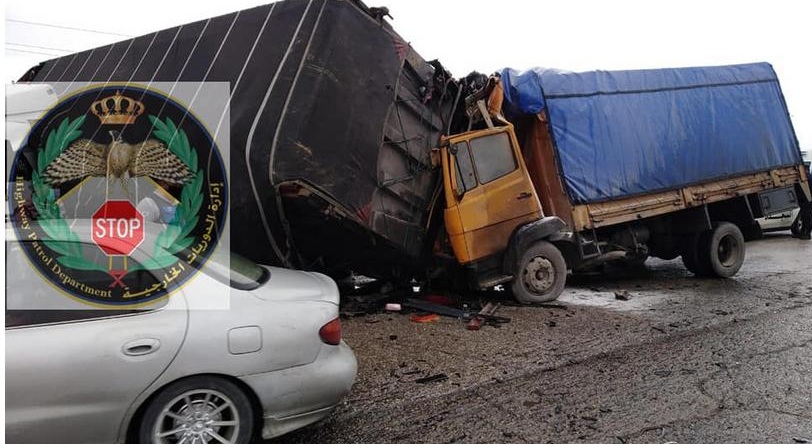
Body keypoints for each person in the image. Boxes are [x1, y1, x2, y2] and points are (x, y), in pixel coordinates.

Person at [797, 164, 812, 240]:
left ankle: (807, 233)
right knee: (804, 216)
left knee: (806, 217)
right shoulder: (807, 177)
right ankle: (803, 232)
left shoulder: (807, 178)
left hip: (807, 200)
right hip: (806, 200)